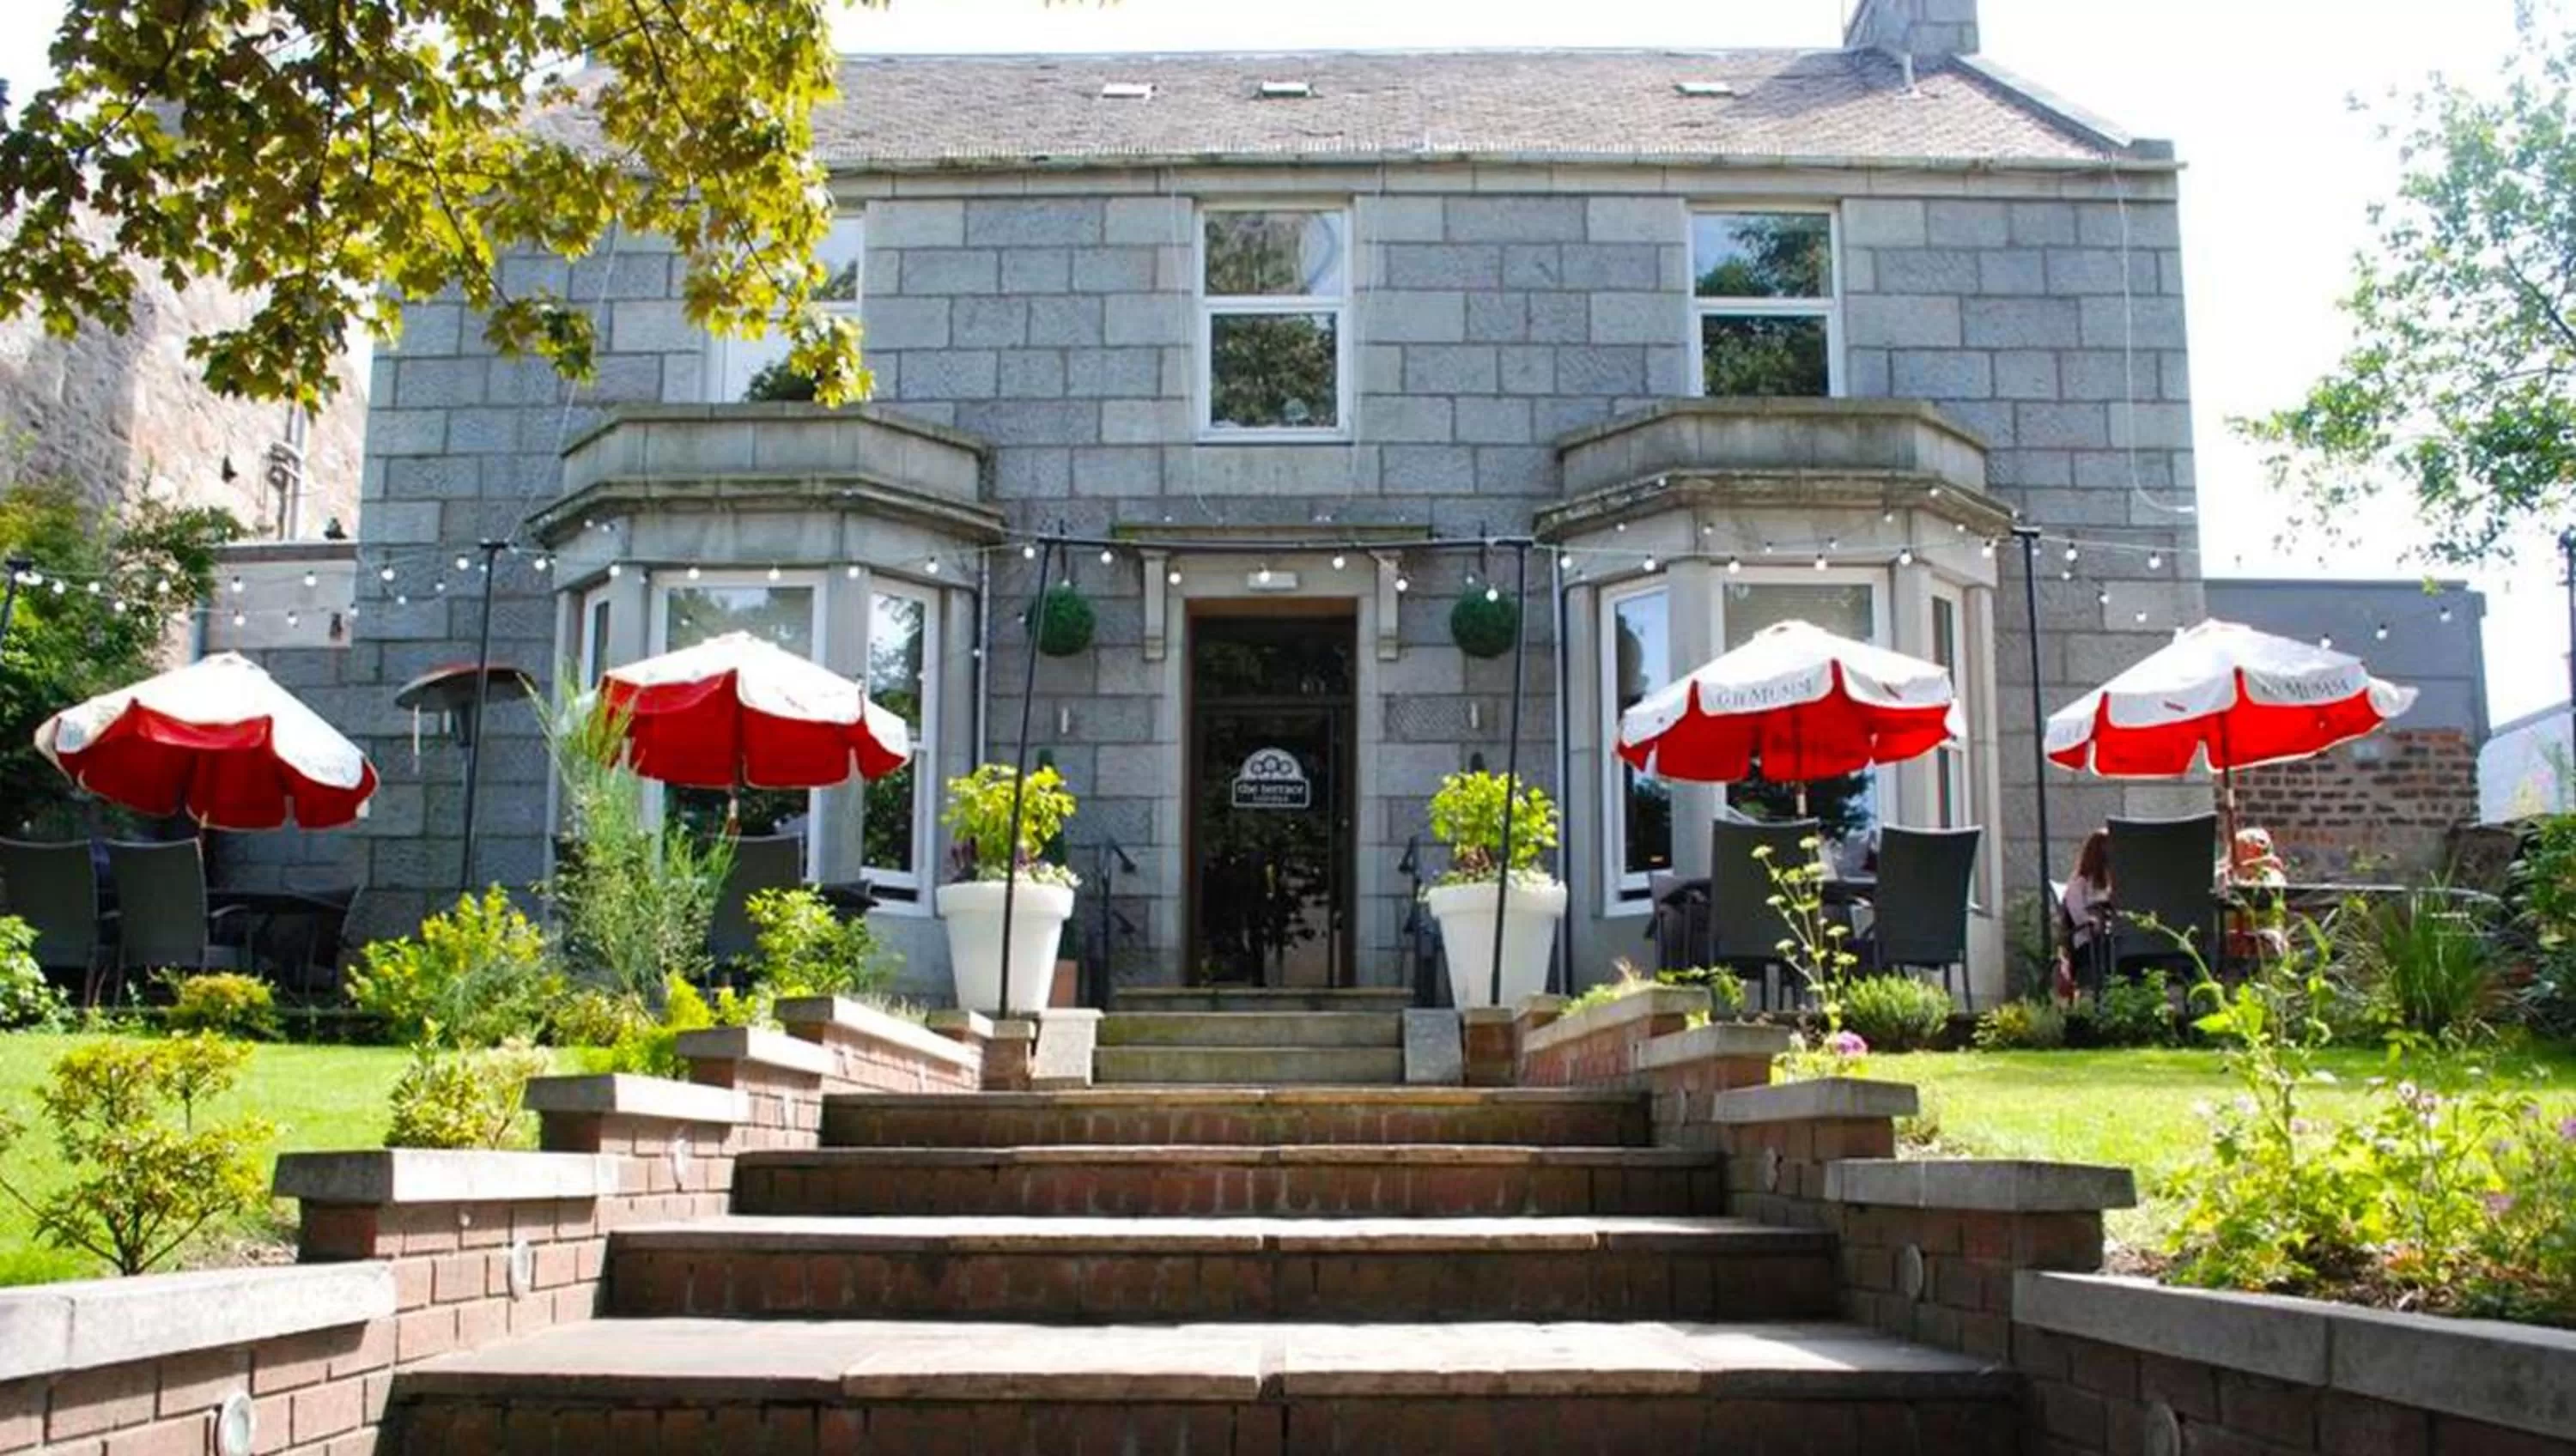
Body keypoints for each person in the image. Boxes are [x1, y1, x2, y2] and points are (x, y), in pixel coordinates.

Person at [2055, 828, 2113, 1002]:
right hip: (2088, 945)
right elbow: (2079, 917)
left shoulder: (2111, 886)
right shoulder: (2079, 885)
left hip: (2112, 941)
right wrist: (2096, 922)